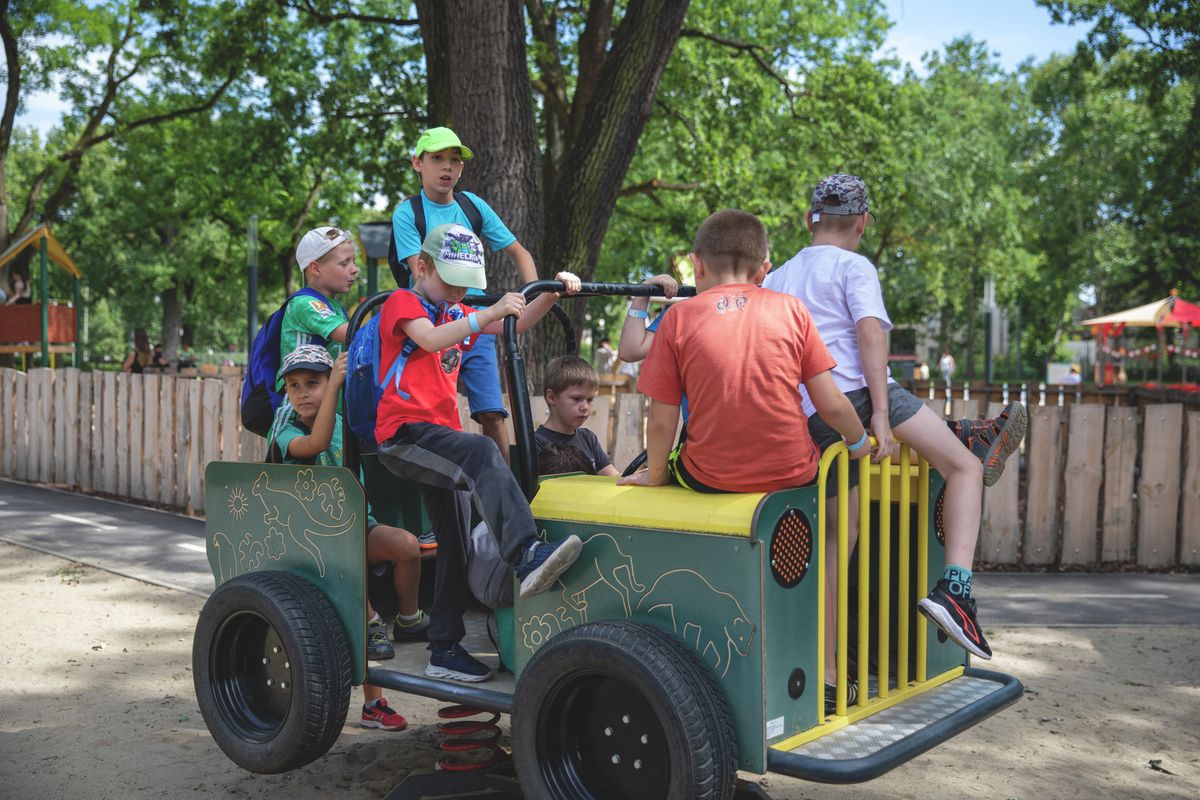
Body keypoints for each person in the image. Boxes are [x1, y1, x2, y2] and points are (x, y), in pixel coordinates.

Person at [763, 174, 1027, 708]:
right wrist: (881, 415)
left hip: (805, 418)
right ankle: (956, 588)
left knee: (839, 540)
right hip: (853, 398)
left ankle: (831, 674)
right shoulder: (854, 265)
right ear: (863, 223)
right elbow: (868, 334)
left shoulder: (780, 275)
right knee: (964, 470)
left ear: (808, 219)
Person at [374, 222, 584, 683]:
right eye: (449, 281)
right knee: (483, 451)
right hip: (406, 433)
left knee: (455, 545)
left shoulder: (458, 312)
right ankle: (525, 552)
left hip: (441, 443)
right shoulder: (404, 303)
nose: (456, 292)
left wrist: (551, 293)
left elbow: (518, 322)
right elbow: (428, 339)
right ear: (422, 266)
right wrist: (484, 315)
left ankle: (444, 648)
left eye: (463, 286)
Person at [617, 208, 869, 498]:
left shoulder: (678, 317)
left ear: (697, 265)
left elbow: (662, 419)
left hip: (709, 477)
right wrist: (858, 441)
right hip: (793, 474)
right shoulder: (793, 310)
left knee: (677, 462)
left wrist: (657, 474)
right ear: (764, 270)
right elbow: (833, 404)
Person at [269, 344, 423, 731]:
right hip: (314, 538)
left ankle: (408, 618)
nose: (302, 392)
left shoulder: (345, 425)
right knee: (353, 579)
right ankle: (374, 698)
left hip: (357, 526)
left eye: (313, 383)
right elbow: (316, 445)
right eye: (294, 386)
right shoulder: (288, 432)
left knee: (406, 545)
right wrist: (333, 389)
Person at [392, 127, 538, 465]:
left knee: (492, 413)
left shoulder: (472, 206)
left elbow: (520, 253)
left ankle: (498, 489)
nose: (447, 167)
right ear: (418, 163)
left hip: (475, 323)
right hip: (432, 323)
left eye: (454, 160)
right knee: (431, 414)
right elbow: (422, 272)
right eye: (437, 158)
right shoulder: (408, 212)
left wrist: (530, 295)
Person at [536, 355, 619, 477]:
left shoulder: (588, 438)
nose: (585, 406)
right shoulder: (538, 443)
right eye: (576, 399)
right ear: (551, 397)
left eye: (590, 400)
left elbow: (614, 478)